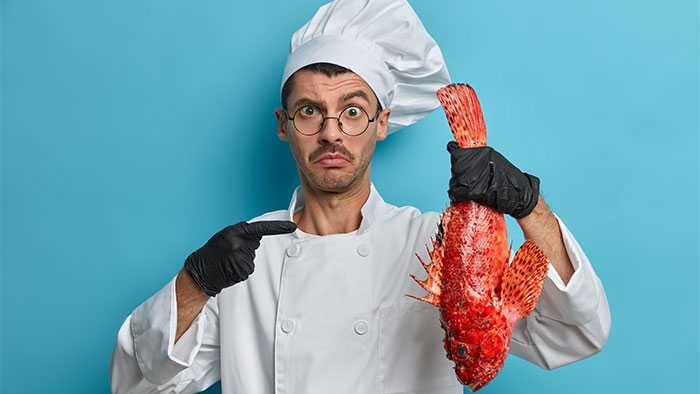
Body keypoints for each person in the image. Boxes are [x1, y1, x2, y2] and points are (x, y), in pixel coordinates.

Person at [109, 0, 611, 393]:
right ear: (284, 127)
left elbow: (576, 333)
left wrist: (526, 204)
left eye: (352, 111)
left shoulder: (436, 246)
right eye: (309, 111)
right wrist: (195, 283)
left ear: (382, 123)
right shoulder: (241, 260)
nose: (331, 132)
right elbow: (135, 385)